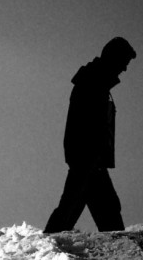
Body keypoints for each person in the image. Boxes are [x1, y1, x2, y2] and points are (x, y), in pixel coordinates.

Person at [44, 37, 136, 233]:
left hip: (91, 161)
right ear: (114, 59)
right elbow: (83, 126)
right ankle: (46, 248)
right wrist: (88, 159)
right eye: (124, 62)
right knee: (72, 210)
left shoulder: (96, 83)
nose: (125, 69)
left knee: (105, 209)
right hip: (87, 161)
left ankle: (118, 249)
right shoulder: (92, 84)